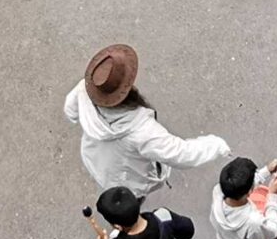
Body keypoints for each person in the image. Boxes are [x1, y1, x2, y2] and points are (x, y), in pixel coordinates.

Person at [64, 44, 231, 196]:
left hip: (94, 159)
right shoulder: (141, 131)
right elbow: (182, 154)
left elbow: (70, 111)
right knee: (128, 204)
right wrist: (216, 145)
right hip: (127, 182)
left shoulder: (87, 89)